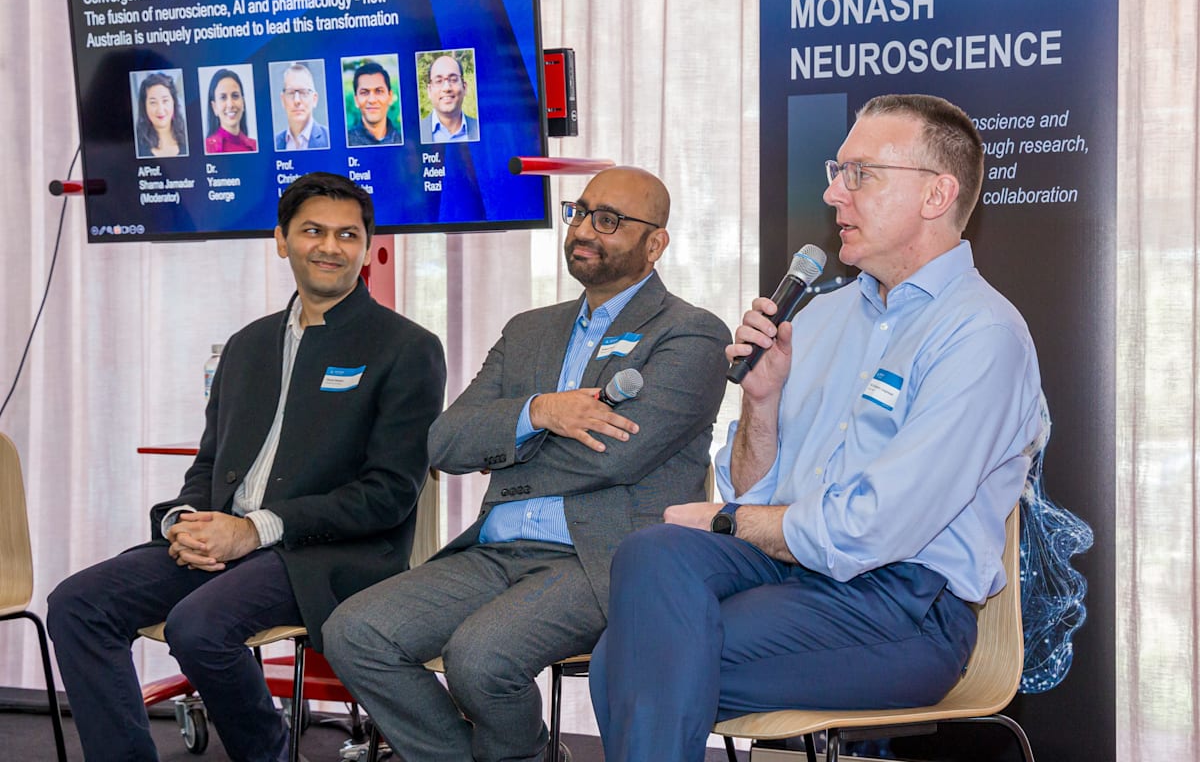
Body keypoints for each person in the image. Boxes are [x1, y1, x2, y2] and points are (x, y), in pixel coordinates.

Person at [589, 95, 1045, 762]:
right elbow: (747, 485)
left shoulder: (981, 334)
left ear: (935, 194)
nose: (834, 193)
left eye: (860, 174)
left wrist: (733, 523)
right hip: (791, 575)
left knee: (625, 659)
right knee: (650, 553)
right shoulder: (822, 317)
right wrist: (762, 405)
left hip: (904, 609)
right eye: (838, 171)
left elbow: (876, 527)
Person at [323, 166, 730, 762]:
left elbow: (618, 456)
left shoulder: (691, 335)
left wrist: (506, 452)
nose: (585, 230)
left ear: (655, 243)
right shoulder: (529, 330)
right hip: (495, 550)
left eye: (609, 220)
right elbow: (446, 443)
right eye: (581, 212)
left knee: (480, 658)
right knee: (354, 633)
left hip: (602, 560)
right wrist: (540, 412)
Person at [47, 172, 447, 762]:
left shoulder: (407, 348)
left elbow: (387, 496)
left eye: (347, 234)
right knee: (77, 602)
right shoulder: (246, 345)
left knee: (198, 626)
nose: (330, 247)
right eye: (313, 231)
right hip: (228, 546)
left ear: (366, 245)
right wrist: (185, 521)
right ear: (282, 240)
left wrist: (254, 529)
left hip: (328, 556)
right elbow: (210, 462)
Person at [418, 54, 479, 143]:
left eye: (453, 79)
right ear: (429, 91)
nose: (447, 88)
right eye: (439, 81)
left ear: (464, 87)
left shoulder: (480, 129)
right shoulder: (415, 133)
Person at [273, 62, 330, 151]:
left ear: (314, 99)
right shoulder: (274, 144)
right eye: (291, 92)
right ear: (283, 100)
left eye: (303, 92)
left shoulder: (330, 139)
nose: (297, 100)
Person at [346, 61, 403, 146]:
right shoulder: (346, 142)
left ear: (390, 97)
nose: (372, 100)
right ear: (356, 100)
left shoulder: (406, 141)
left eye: (379, 91)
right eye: (364, 92)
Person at [134, 71, 188, 158]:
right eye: (153, 102)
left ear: (173, 102)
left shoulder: (189, 135)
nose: (160, 109)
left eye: (165, 101)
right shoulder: (136, 143)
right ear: (144, 106)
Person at [205, 68, 257, 154]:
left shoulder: (255, 147)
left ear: (243, 103)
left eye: (235, 96)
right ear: (214, 107)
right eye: (223, 97)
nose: (230, 104)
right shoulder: (207, 149)